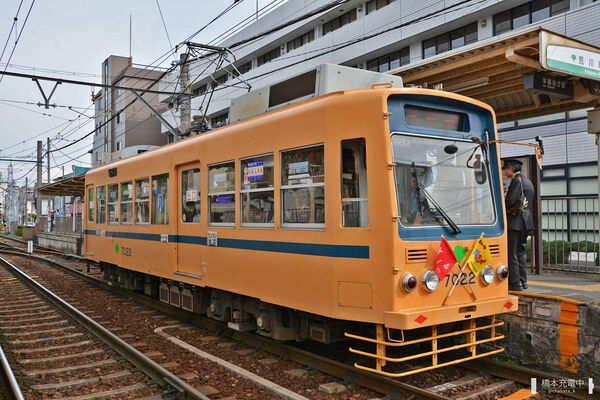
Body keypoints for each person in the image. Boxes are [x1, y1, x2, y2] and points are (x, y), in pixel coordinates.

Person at [503, 159, 534, 291]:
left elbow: (510, 201)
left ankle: (515, 282)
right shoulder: (527, 181)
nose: (505, 172)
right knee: (521, 252)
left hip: (515, 221)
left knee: (512, 252)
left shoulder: (517, 181)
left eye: (505, 169)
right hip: (525, 221)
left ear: (511, 169)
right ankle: (523, 280)